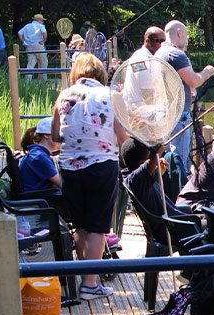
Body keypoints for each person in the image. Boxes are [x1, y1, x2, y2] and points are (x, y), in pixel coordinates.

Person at [51, 53, 128, 300]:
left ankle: (85, 277)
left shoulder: (64, 96)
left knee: (81, 225)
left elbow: (54, 136)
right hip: (101, 165)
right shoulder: (111, 95)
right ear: (101, 74)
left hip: (70, 168)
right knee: (98, 226)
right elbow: (123, 137)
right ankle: (90, 284)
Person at [155, 20, 214, 179]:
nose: (187, 39)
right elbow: (194, 80)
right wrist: (207, 72)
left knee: (168, 159)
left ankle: (169, 193)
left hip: (164, 115)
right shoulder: (176, 54)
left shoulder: (158, 53)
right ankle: (180, 199)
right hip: (178, 115)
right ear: (179, 32)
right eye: (186, 35)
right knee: (179, 163)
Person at [122, 138, 190, 244]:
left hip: (175, 223)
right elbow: (152, 159)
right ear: (142, 162)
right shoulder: (136, 179)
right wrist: (159, 147)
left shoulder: (140, 181)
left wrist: (158, 174)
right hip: (175, 228)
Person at [19, 117, 61, 192]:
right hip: (38, 198)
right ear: (46, 135)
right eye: (59, 135)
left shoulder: (37, 153)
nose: (62, 139)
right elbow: (62, 184)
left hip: (41, 194)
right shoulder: (39, 157)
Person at [19, 14, 48, 80]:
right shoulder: (41, 26)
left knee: (30, 63)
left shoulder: (27, 26)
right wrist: (43, 41)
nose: (43, 22)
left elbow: (19, 33)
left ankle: (28, 81)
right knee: (43, 62)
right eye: (42, 20)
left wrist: (23, 41)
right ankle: (42, 80)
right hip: (38, 45)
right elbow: (45, 34)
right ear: (39, 20)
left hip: (29, 46)